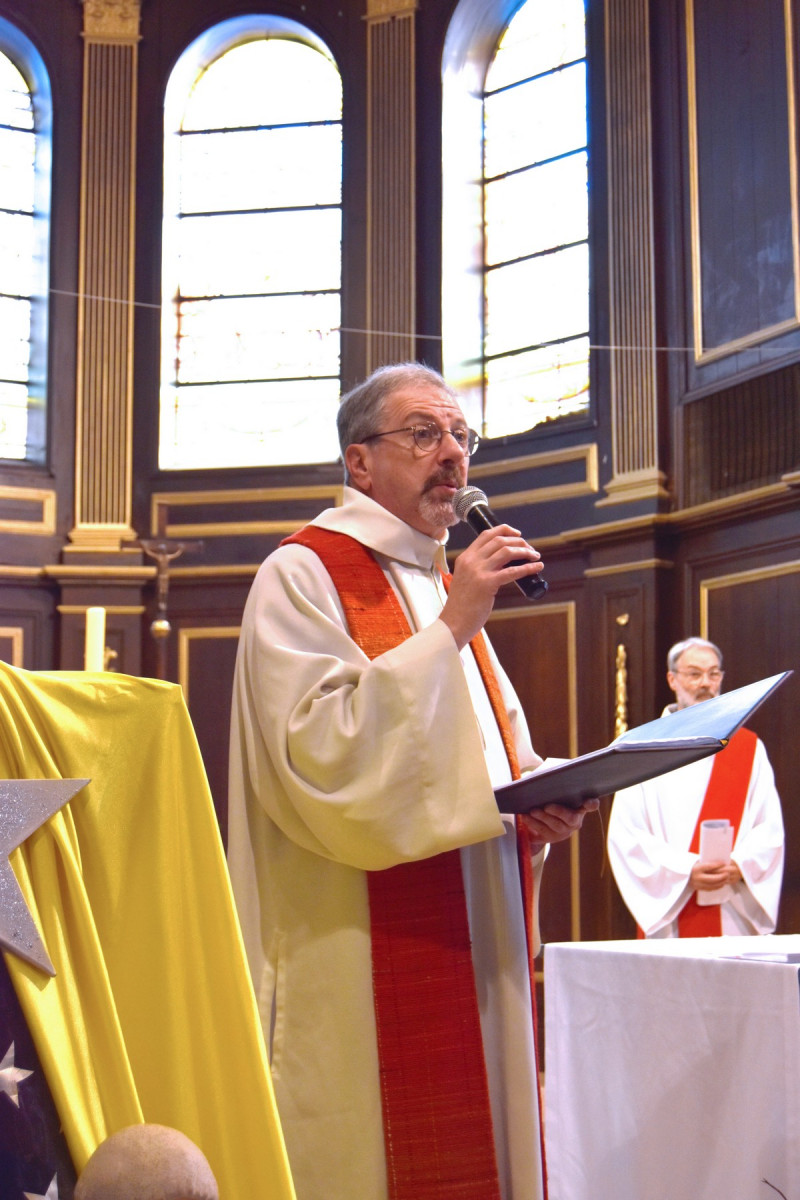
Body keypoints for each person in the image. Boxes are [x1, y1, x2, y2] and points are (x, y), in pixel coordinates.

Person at [227, 362, 597, 1200]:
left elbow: (490, 755)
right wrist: (452, 627)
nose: (453, 456)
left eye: (461, 436)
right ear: (359, 462)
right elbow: (319, 753)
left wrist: (534, 802)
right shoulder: (304, 573)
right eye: (424, 434)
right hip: (353, 942)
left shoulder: (438, 583)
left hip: (477, 930)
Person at [607, 636, 784, 938]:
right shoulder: (642, 748)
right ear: (672, 679)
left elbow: (769, 828)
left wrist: (741, 865)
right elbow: (627, 835)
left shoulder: (748, 748)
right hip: (671, 913)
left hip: (733, 912)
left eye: (713, 674)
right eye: (694, 674)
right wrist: (685, 870)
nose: (705, 683)